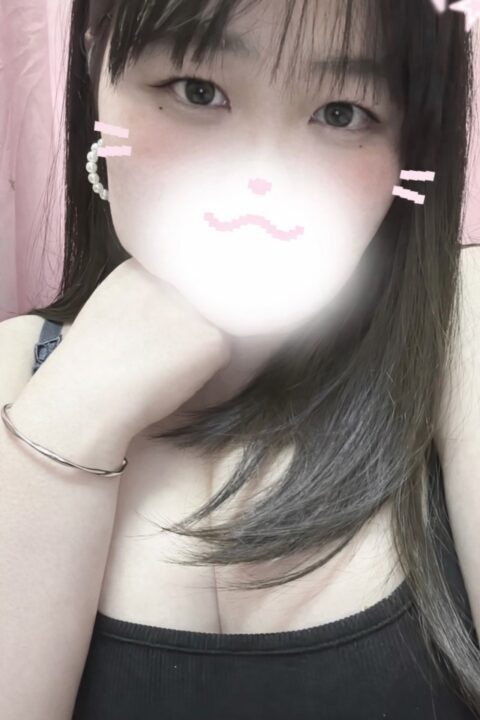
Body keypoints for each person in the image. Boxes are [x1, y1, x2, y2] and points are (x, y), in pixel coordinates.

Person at [1, 0, 479, 718]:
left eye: (342, 113)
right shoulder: (14, 371)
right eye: (197, 90)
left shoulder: (460, 324)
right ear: (97, 71)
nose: (263, 177)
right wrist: (68, 419)